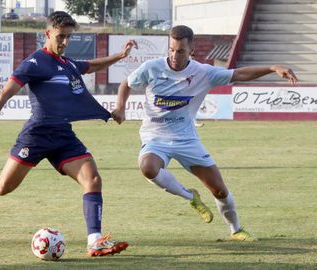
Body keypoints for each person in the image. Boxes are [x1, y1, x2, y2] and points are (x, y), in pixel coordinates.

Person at [0, 11, 137, 257]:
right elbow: (4, 94)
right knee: (2, 187)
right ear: (47, 34)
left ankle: (95, 240)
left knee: (93, 179)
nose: (65, 43)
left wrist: (120, 55)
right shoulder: (35, 63)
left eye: (68, 37)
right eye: (60, 37)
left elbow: (91, 66)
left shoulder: (67, 65)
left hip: (63, 136)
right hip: (36, 135)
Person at [111, 25, 297, 241]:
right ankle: (190, 196)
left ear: (192, 50)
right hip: (155, 137)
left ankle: (236, 229)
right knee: (147, 167)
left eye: (180, 51)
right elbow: (126, 83)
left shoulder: (203, 73)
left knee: (219, 190)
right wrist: (121, 107)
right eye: (171, 49)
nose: (174, 55)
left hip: (187, 140)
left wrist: (273, 68)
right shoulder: (152, 68)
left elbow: (239, 73)